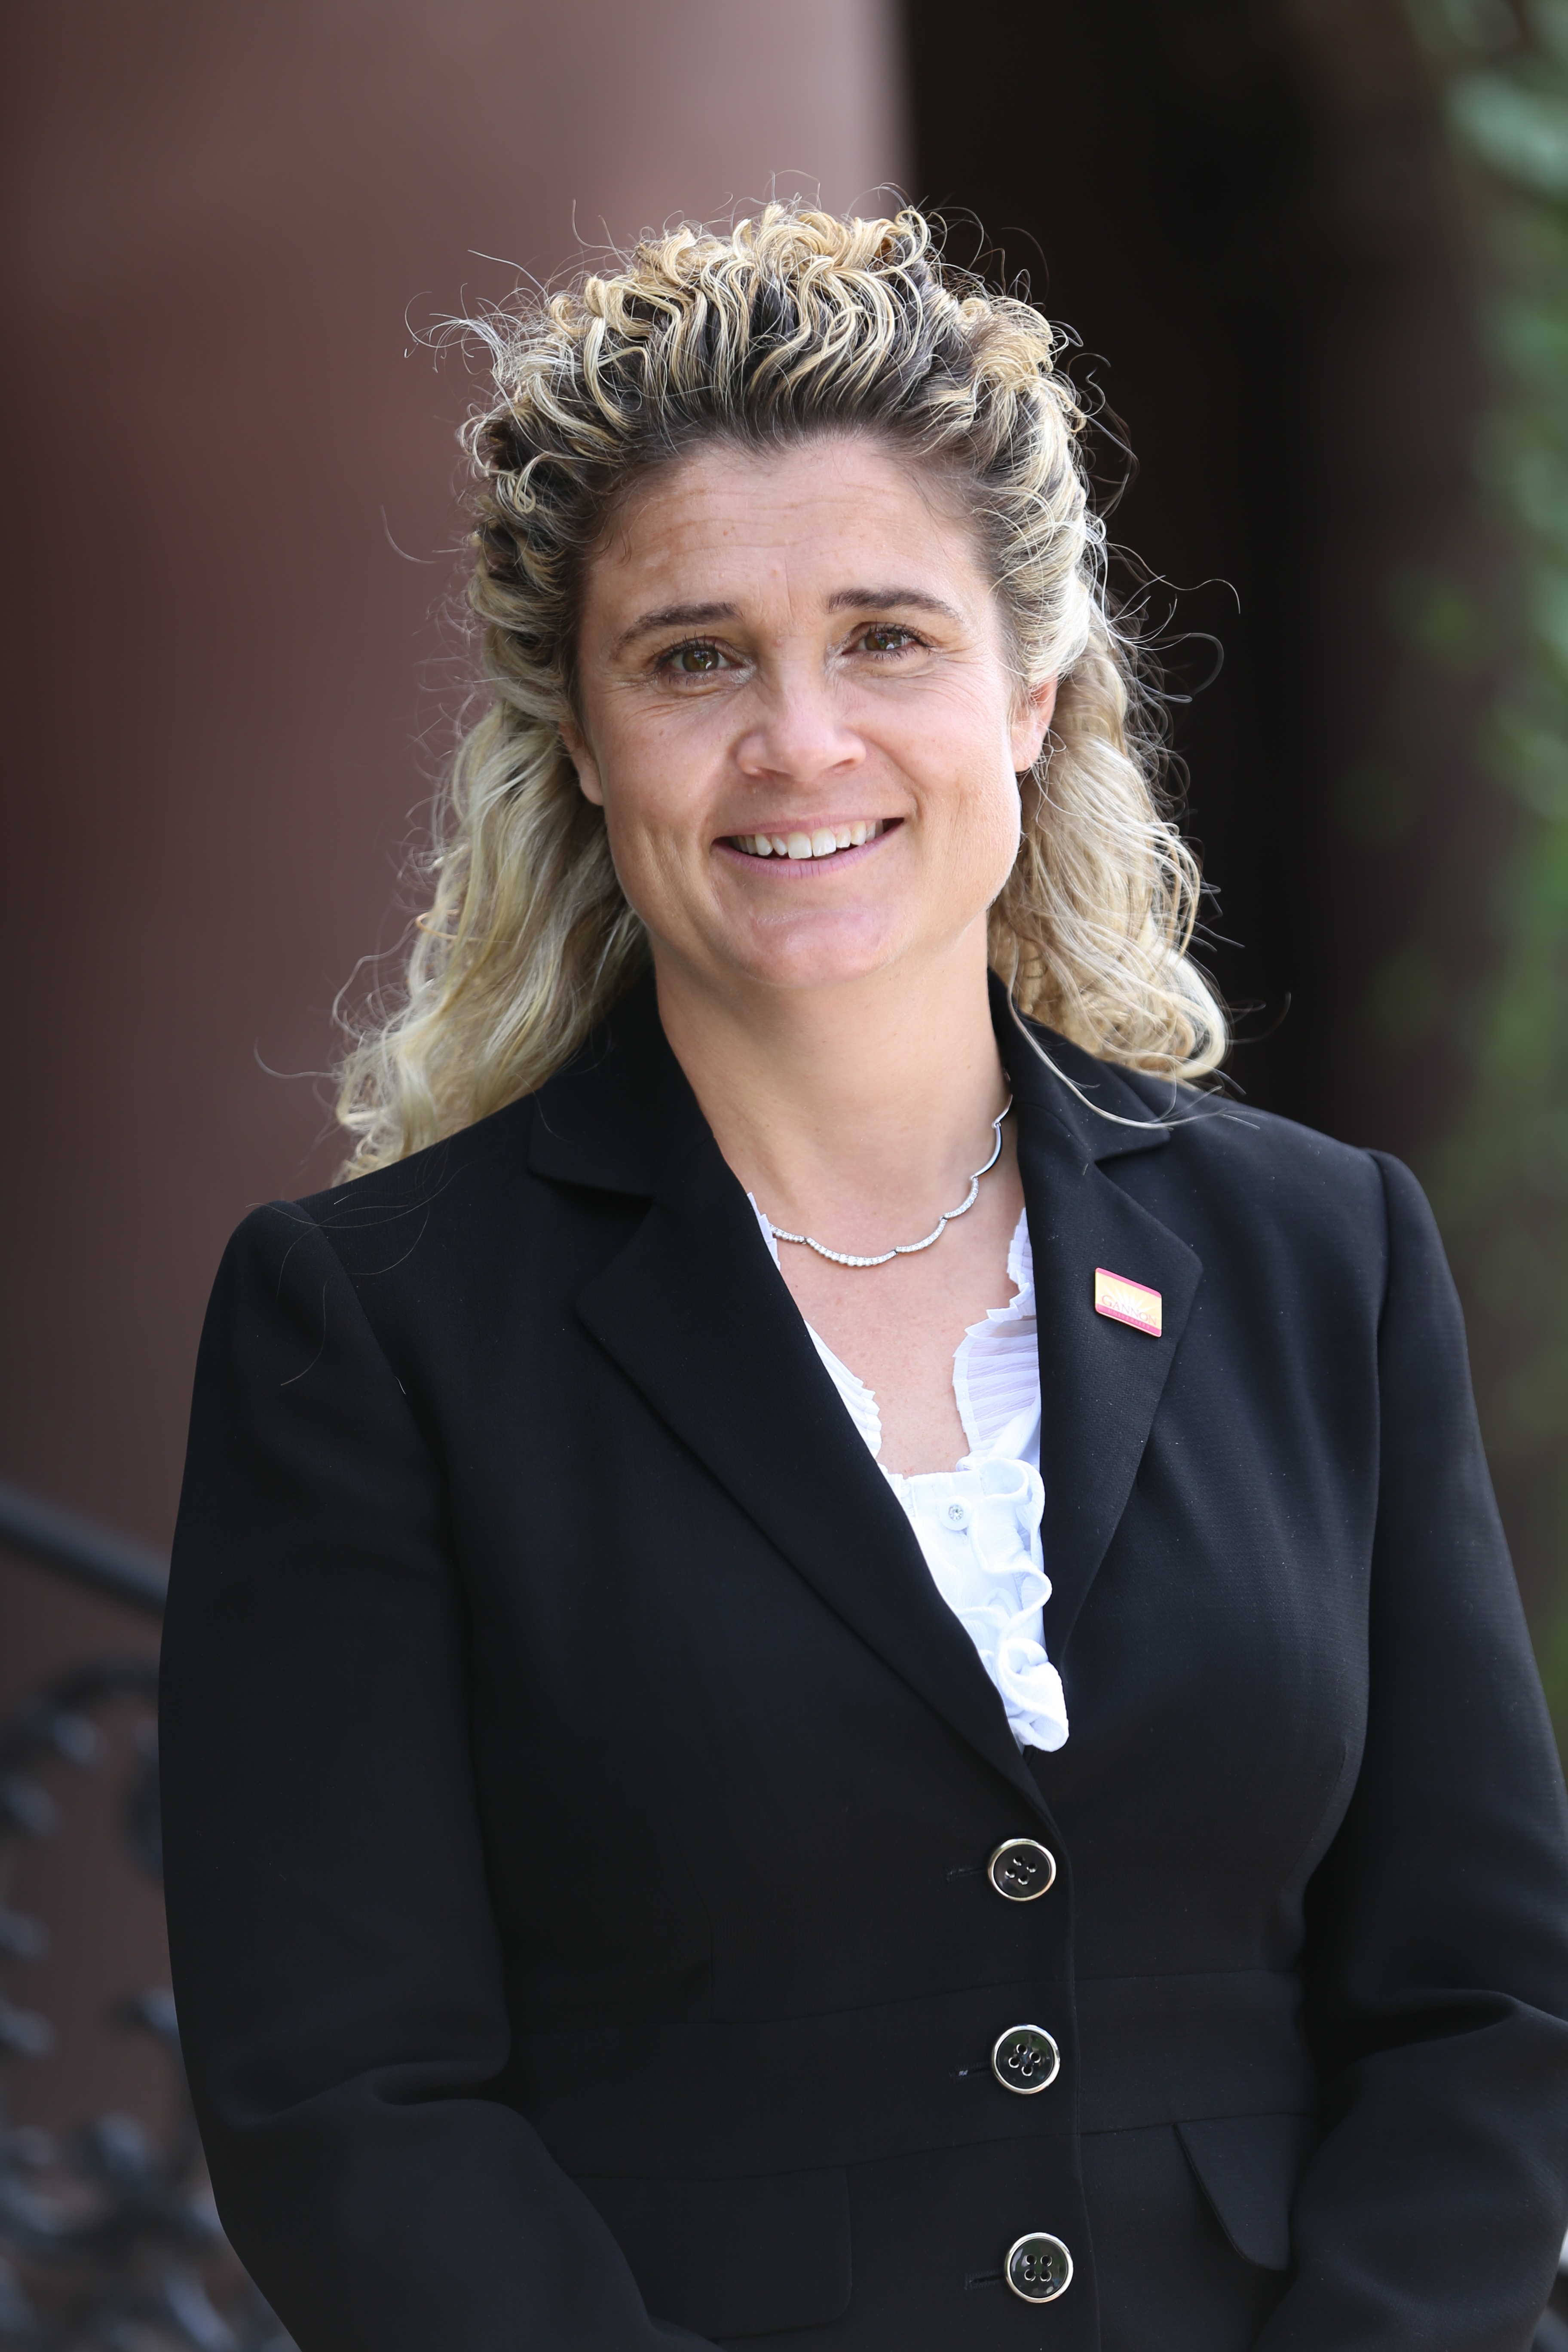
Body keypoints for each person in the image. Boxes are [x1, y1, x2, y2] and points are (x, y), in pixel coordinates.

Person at [159, 204, 1568, 2352]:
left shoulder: (1322, 1255)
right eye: (694, 657)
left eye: (888, 639)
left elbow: (1489, 2001)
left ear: (1032, 694)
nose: (800, 741)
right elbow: (348, 2103)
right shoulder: (373, 1327)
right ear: (584, 737)